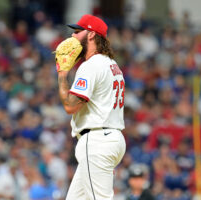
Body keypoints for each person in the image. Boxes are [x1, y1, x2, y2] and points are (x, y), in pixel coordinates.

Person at [55, 14, 126, 200]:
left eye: (78, 32)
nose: (72, 37)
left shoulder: (91, 65)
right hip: (110, 138)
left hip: (97, 141)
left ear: (92, 35)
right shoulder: (112, 64)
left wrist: (62, 75)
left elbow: (70, 106)